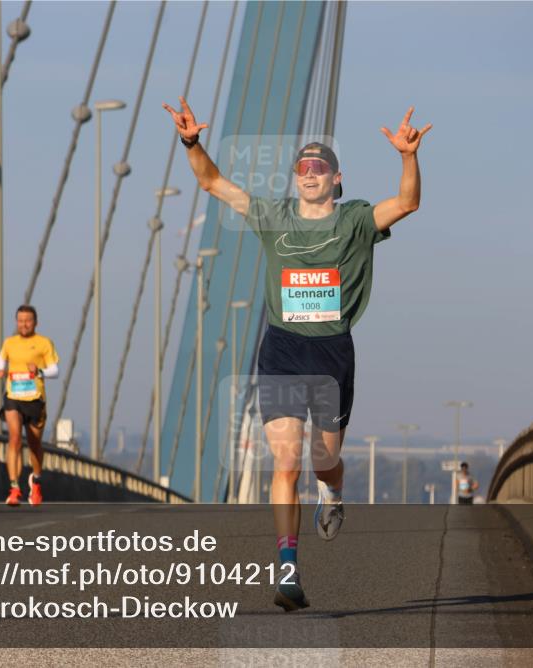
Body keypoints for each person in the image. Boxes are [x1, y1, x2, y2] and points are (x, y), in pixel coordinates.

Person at [164, 96, 430, 611]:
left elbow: (407, 203)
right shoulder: (273, 216)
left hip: (332, 352)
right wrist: (191, 143)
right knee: (285, 461)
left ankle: (333, 493)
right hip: (283, 348)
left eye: (319, 167)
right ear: (294, 179)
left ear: (336, 178)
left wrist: (408, 157)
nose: (310, 173)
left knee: (323, 461)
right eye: (303, 167)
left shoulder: (355, 221)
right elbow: (212, 183)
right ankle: (287, 568)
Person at [0, 305, 60, 506]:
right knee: (14, 438)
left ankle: (36, 481)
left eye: (28, 320)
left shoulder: (44, 343)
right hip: (13, 396)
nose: (24, 324)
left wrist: (39, 371)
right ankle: (14, 488)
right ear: (17, 322)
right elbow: (1, 360)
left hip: (34, 399)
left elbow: (55, 371)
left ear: (35, 323)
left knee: (34, 444)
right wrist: (0, 370)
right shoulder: (9, 342)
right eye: (20, 320)